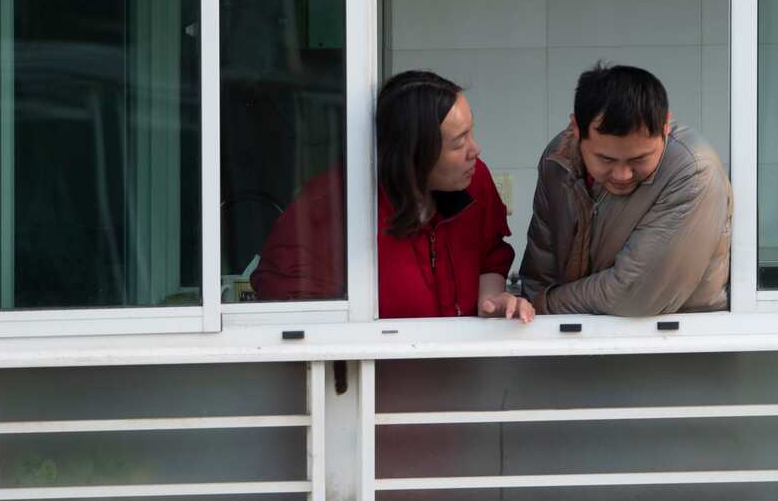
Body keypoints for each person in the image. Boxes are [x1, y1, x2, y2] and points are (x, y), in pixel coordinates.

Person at [252, 71, 534, 321]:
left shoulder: (475, 181)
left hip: (458, 371)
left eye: (470, 132)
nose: (476, 149)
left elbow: (490, 254)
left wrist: (492, 301)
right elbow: (290, 317)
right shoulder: (331, 207)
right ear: (414, 153)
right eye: (459, 142)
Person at [520, 64, 731, 316]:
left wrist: (543, 306)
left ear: (665, 126)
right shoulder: (559, 159)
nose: (622, 175)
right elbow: (539, 270)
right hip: (575, 337)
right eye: (605, 160)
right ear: (577, 130)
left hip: (677, 341)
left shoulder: (694, 170)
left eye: (639, 159)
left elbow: (634, 294)